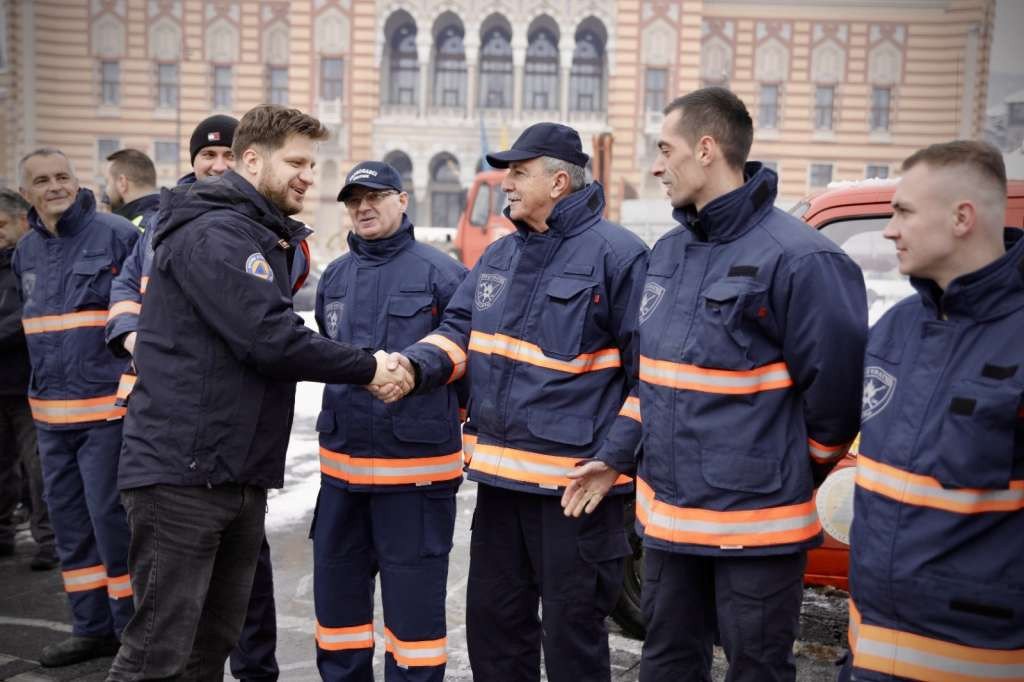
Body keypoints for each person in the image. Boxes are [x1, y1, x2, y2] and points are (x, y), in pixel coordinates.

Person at [568, 87, 867, 681]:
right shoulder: (670, 253)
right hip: (669, 526)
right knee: (668, 664)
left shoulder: (804, 260)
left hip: (755, 532)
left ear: (706, 150)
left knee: (756, 669)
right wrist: (613, 458)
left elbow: (835, 403)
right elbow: (653, 380)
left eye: (664, 149)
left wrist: (774, 471)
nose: (655, 165)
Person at [106, 104, 412, 681]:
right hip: (183, 475)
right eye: (296, 161)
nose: (307, 175)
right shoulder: (215, 232)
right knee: (157, 652)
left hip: (230, 471)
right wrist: (369, 367)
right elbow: (270, 337)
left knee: (210, 643)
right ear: (251, 160)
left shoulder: (250, 231)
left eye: (312, 164)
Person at [377, 122, 649, 681]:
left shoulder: (619, 257)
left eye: (518, 173)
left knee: (573, 644)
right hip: (500, 489)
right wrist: (412, 366)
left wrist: (615, 461)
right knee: (495, 637)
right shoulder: (499, 257)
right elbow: (458, 333)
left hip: (576, 494)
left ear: (557, 181)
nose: (506, 184)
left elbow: (653, 378)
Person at [104, 114, 283, 682]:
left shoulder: (267, 233)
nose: (217, 165)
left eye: (229, 156)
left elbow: (272, 328)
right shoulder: (166, 227)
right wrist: (133, 334)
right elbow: (126, 291)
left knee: (219, 627)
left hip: (235, 455)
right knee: (160, 641)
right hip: (176, 448)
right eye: (208, 157)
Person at [843, 141, 1024, 681]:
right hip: (871, 653)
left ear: (962, 217)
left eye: (903, 212)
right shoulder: (895, 328)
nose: (890, 230)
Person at [311, 161, 468, 681]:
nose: (363, 207)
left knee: (416, 628)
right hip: (341, 483)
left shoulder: (443, 273)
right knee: (338, 621)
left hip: (415, 484)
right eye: (354, 200)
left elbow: (467, 363)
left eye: (375, 196)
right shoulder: (334, 277)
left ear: (403, 200)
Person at [13, 149, 140, 666]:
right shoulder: (25, 252)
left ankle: (133, 632)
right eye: (42, 181)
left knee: (113, 526)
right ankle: (91, 628)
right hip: (50, 419)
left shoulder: (116, 235)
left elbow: (145, 310)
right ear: (27, 194)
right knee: (68, 526)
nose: (55, 187)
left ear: (78, 180)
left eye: (63, 176)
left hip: (106, 414)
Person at [0, 188, 57, 571]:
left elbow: (28, 315)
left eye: (2, 224)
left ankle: (49, 541)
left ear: (22, 221)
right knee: (4, 466)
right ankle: (3, 534)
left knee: (39, 469)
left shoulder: (32, 259)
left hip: (28, 383)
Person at [104, 149, 160, 231]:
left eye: (107, 182)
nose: (106, 191)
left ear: (122, 183)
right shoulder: (167, 215)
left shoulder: (133, 230)